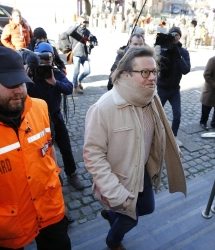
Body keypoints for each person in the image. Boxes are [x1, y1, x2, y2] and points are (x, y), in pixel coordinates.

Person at [83, 46, 186, 250]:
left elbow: (159, 127)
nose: (152, 78)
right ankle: (113, 241)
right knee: (131, 220)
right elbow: (93, 156)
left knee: (147, 208)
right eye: (145, 72)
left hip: (143, 171)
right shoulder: (103, 108)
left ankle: (111, 214)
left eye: (155, 72)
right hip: (120, 182)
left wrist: (171, 147)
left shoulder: (150, 96)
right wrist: (115, 193)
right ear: (126, 74)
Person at [0, 46, 71, 249]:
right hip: (9, 227)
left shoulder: (39, 107)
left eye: (22, 82)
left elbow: (49, 149)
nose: (19, 90)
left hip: (50, 209)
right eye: (10, 83)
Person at [25, 42, 84, 190]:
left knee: (65, 147)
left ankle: (72, 174)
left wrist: (54, 82)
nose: (47, 60)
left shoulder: (56, 73)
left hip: (56, 117)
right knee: (43, 151)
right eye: (43, 57)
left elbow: (69, 88)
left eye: (49, 57)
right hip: (37, 121)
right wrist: (24, 78)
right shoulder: (31, 75)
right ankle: (52, 175)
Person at [156, 26, 191, 147]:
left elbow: (186, 70)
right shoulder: (163, 48)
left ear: (180, 36)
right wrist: (159, 49)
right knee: (157, 112)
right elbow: (156, 66)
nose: (175, 37)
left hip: (175, 89)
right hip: (162, 88)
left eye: (177, 35)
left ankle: (173, 136)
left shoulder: (183, 52)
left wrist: (178, 56)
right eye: (173, 34)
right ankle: (155, 134)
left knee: (177, 114)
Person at [66, 16, 93, 94]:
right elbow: (67, 33)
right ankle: (75, 86)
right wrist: (77, 24)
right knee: (76, 71)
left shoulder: (87, 32)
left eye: (85, 22)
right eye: (83, 22)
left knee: (87, 71)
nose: (84, 24)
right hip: (76, 54)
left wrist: (90, 44)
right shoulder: (75, 30)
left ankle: (79, 80)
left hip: (85, 54)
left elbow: (92, 41)